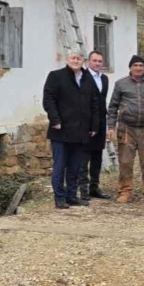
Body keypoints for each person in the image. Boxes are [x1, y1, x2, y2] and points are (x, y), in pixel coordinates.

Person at [43, 50, 100, 209]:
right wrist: (55, 120)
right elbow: (48, 100)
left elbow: (95, 102)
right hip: (60, 130)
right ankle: (60, 198)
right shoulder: (56, 76)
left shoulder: (87, 78)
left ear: (83, 60)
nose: (76, 61)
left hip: (80, 131)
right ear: (67, 59)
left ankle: (72, 196)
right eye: (73, 58)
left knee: (75, 167)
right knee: (60, 167)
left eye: (79, 58)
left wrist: (94, 125)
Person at [107, 55, 144, 204]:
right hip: (126, 128)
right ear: (130, 67)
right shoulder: (121, 84)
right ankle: (125, 191)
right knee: (125, 162)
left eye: (141, 66)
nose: (138, 68)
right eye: (135, 65)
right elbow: (113, 107)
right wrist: (111, 126)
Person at [79, 50, 110, 200]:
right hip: (86, 123)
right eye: (94, 61)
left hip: (101, 122)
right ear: (88, 61)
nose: (97, 63)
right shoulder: (82, 77)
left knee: (97, 156)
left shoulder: (104, 78)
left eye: (99, 61)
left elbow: (101, 100)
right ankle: (83, 189)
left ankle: (94, 187)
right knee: (84, 157)